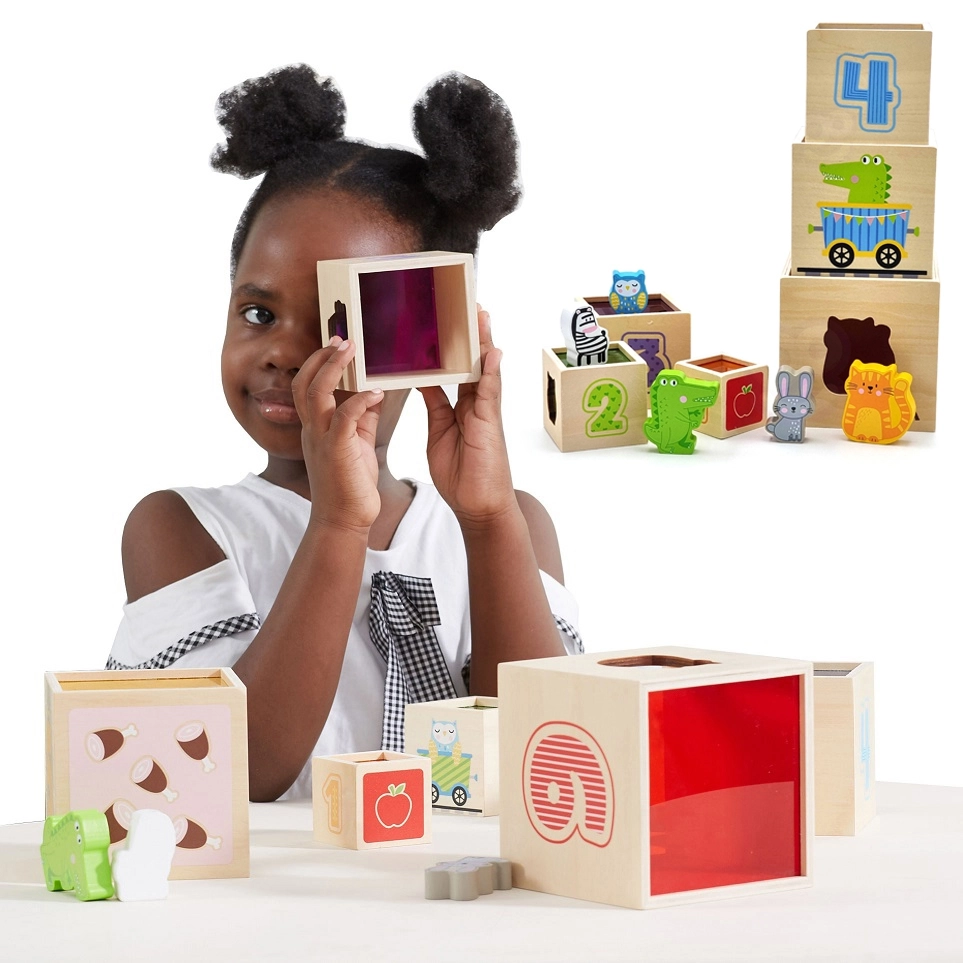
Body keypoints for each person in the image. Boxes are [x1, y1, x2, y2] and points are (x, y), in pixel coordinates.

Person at [107, 65, 582, 802]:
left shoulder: (509, 525)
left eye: (338, 323)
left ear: (431, 342)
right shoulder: (177, 528)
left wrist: (489, 523)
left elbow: (547, 754)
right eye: (259, 313)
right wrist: (338, 524)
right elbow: (233, 770)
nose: (283, 352)